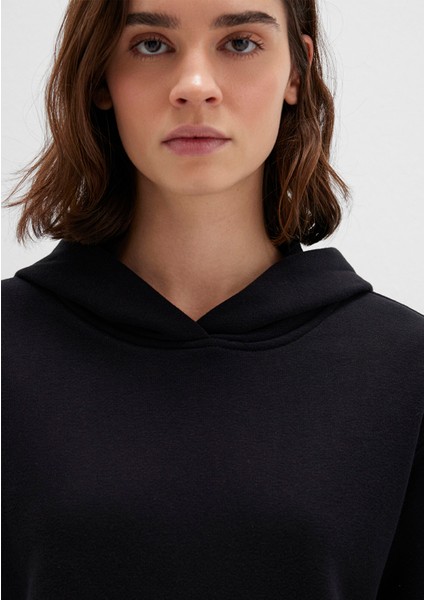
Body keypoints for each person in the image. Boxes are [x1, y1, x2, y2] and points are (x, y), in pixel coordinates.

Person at [2, 0, 423, 598]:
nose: (195, 85)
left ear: (297, 72)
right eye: (151, 44)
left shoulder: (406, 368)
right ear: (99, 77)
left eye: (240, 43)